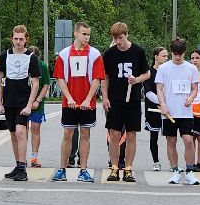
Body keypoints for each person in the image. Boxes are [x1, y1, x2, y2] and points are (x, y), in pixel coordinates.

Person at [52, 21, 104, 183]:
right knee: (68, 134)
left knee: (85, 134)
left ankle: (83, 169)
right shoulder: (64, 54)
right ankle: (62, 168)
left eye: (88, 34)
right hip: (70, 102)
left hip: (87, 103)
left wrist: (88, 99)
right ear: (75, 34)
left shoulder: (95, 54)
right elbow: (60, 78)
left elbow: (97, 79)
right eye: (84, 34)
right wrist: (69, 98)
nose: (86, 37)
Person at [102, 22, 152, 182]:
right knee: (114, 134)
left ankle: (128, 168)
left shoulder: (138, 51)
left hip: (133, 99)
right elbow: (105, 77)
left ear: (127, 35)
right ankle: (115, 168)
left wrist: (136, 79)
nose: (118, 41)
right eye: (115, 38)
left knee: (131, 134)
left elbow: (147, 74)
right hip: (115, 99)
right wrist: (105, 97)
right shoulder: (109, 54)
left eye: (121, 38)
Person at [0, 25, 42, 182]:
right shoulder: (5, 56)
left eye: (21, 39)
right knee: (13, 133)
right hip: (9, 100)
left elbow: (35, 83)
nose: (18, 41)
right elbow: (0, 79)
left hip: (23, 100)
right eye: (16, 38)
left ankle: (23, 168)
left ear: (26, 39)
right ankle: (17, 164)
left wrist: (29, 105)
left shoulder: (31, 57)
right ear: (12, 39)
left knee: (21, 132)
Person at [155, 38, 200, 185]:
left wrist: (191, 98)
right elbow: (160, 88)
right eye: (175, 54)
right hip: (169, 111)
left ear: (184, 53)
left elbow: (195, 88)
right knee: (171, 140)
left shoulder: (191, 68)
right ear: (171, 53)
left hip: (185, 112)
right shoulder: (163, 68)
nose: (178, 57)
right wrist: (162, 104)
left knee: (188, 140)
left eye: (180, 54)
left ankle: (190, 171)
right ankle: (175, 170)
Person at [143, 46, 167, 171]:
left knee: (171, 137)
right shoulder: (149, 72)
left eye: (167, 56)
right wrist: (162, 102)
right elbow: (148, 93)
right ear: (156, 57)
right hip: (154, 109)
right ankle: (156, 161)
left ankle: (173, 164)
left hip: (168, 109)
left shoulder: (168, 71)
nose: (166, 58)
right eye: (163, 56)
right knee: (154, 136)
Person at [27, 45, 51, 168]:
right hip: (23, 102)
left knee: (35, 128)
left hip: (37, 103)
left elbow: (46, 84)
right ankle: (21, 158)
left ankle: (34, 157)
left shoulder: (42, 66)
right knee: (21, 130)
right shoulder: (23, 63)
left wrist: (37, 100)